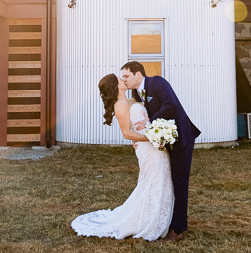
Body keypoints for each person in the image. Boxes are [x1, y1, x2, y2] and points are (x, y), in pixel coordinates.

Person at [71, 73, 175, 241]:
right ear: (115, 85)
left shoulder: (131, 100)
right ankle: (147, 220)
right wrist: (153, 137)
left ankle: (159, 218)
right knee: (153, 180)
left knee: (162, 178)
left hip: (155, 144)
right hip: (146, 147)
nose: (124, 80)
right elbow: (127, 133)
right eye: (120, 79)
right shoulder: (120, 105)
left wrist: (159, 133)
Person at [120, 60, 200, 242]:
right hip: (163, 142)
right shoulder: (136, 93)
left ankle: (178, 229)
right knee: (167, 182)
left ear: (138, 75)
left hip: (181, 138)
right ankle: (163, 220)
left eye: (126, 76)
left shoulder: (157, 82)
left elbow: (170, 105)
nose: (124, 79)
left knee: (180, 183)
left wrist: (149, 127)